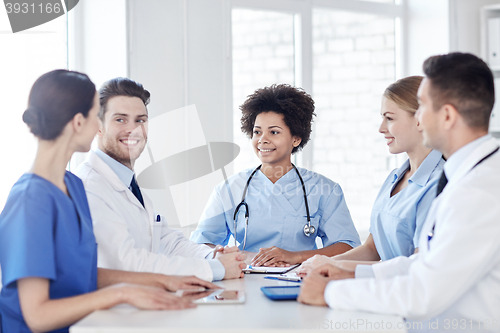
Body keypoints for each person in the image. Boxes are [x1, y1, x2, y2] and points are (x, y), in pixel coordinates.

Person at [0, 70, 218, 333]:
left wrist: (163, 280)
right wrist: (122, 293)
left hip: (83, 325)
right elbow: (36, 315)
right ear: (79, 122)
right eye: (95, 116)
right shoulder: (30, 200)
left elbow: (85, 273)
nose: (98, 126)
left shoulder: (73, 186)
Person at [298, 53, 500, 330]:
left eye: (422, 107)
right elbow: (423, 263)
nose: (419, 118)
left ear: (448, 116)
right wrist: (350, 274)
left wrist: (331, 292)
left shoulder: (481, 190)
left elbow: (424, 292)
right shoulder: (465, 177)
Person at [75, 77, 245, 282]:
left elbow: (167, 241)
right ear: (98, 127)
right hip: (114, 310)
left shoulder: (128, 184)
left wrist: (211, 256)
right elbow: (126, 263)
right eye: (120, 119)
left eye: (140, 120)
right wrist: (214, 269)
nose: (133, 129)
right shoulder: (89, 186)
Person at [191, 84, 360, 267]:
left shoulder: (324, 190)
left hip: (301, 281)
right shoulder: (229, 189)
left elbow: (348, 247)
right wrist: (228, 257)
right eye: (257, 132)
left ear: (296, 138)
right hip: (243, 278)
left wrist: (295, 256)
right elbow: (201, 245)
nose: (262, 139)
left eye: (274, 132)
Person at [297, 76, 444, 276]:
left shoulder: (439, 185)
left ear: (420, 119)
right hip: (382, 290)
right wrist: (320, 263)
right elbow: (371, 249)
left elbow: (417, 267)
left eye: (390, 118)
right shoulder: (395, 177)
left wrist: (336, 267)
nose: (381, 128)